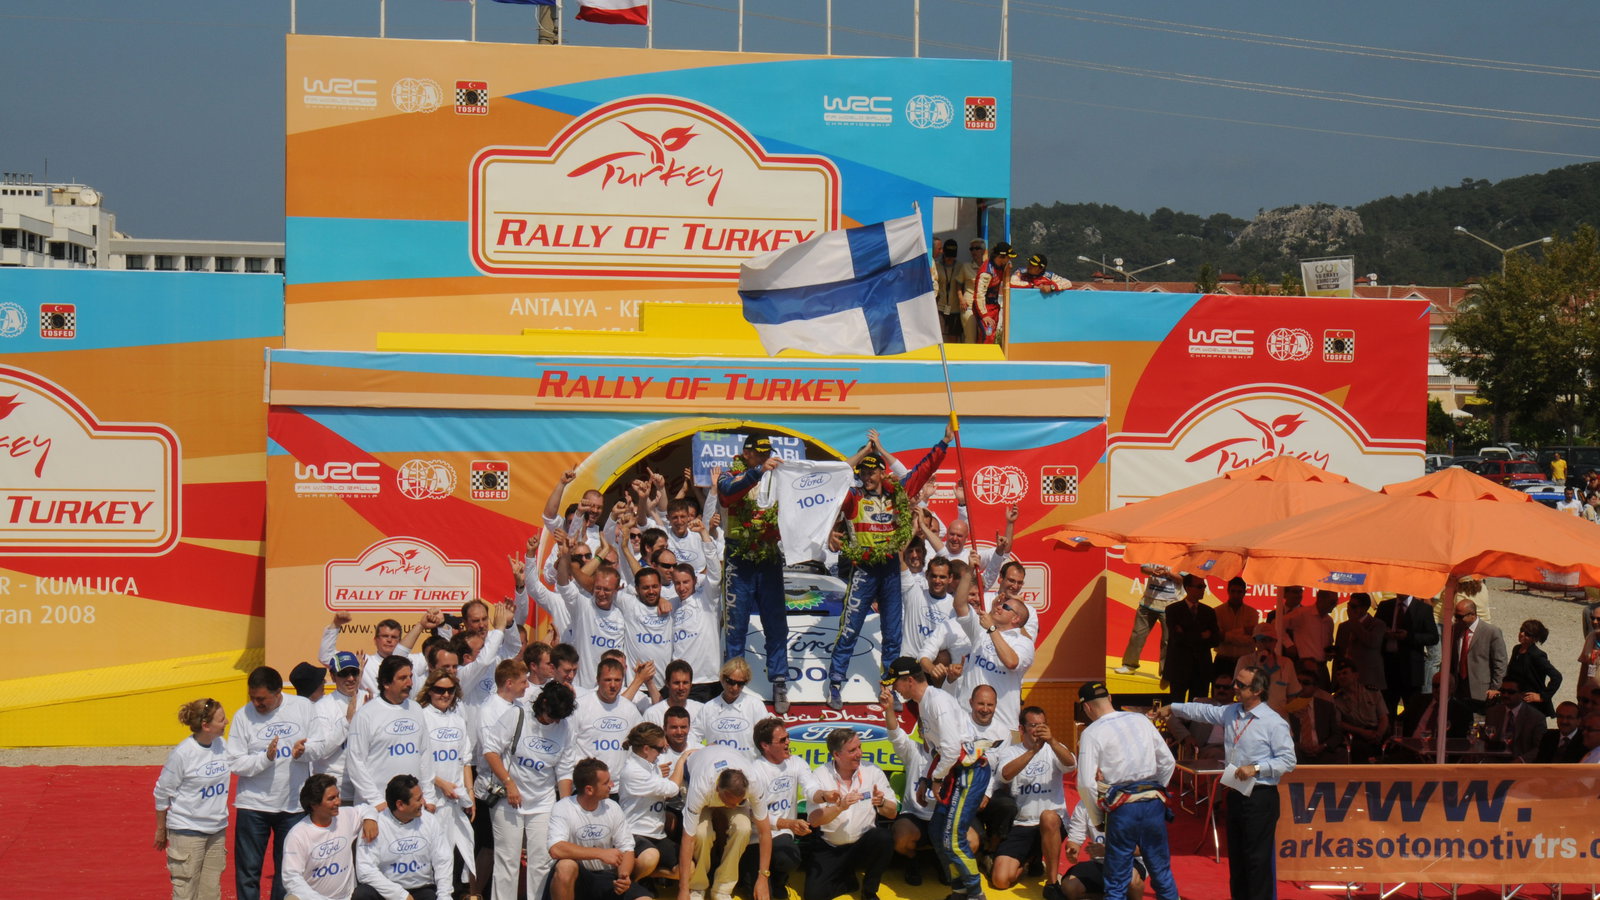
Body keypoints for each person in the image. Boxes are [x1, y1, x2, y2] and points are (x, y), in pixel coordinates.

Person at [827, 425, 951, 709]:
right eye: (863, 472)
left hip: (891, 571)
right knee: (850, 628)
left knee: (893, 633)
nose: (866, 476)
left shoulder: (898, 494)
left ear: (883, 473)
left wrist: (944, 441)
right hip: (863, 570)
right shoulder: (853, 497)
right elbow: (831, 478)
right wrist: (863, 454)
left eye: (872, 472)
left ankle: (890, 686)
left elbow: (922, 469)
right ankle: (835, 681)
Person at [1160, 666, 1296, 900]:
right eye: (1235, 682)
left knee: (1257, 861)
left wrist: (1256, 768)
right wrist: (1173, 707)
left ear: (1257, 690)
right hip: (1235, 791)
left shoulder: (1274, 722)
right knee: (1237, 858)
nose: (1234, 687)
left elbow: (1288, 760)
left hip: (1260, 796)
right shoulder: (1232, 712)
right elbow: (1203, 711)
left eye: (1241, 685)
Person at [885, 657, 985, 900]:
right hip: (954, 771)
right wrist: (926, 780)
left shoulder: (936, 702)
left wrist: (935, 780)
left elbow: (951, 750)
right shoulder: (924, 703)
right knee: (940, 834)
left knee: (953, 838)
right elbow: (937, 752)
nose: (894, 690)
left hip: (968, 771)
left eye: (895, 684)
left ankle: (975, 894)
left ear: (909, 680)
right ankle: (960, 890)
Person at [1075, 682, 1178, 900]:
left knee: (1116, 880)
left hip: (1123, 807)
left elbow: (1085, 783)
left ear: (1087, 708)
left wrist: (1097, 820)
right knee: (1161, 872)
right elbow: (1168, 761)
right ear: (1110, 698)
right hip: (1152, 802)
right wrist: (1156, 791)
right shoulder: (1141, 720)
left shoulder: (1091, 732)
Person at [482, 680, 580, 900]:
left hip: (543, 801)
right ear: (543, 703)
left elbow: (564, 771)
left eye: (558, 718)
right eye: (551, 716)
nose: (554, 721)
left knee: (542, 862)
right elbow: (490, 751)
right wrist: (509, 783)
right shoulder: (517, 716)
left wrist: (564, 807)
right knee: (508, 860)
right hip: (508, 800)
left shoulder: (565, 727)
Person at [716, 436, 791, 712]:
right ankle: (732, 682)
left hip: (769, 555)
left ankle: (779, 680)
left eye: (765, 454)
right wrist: (758, 472)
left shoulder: (778, 474)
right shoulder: (730, 473)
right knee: (736, 625)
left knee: (776, 623)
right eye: (758, 454)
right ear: (745, 453)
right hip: (739, 557)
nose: (763, 458)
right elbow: (725, 494)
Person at [229, 666, 316, 900]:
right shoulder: (242, 716)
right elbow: (235, 762)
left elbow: (319, 743)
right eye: (253, 698)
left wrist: (305, 751)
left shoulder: (303, 707)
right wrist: (265, 758)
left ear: (278, 692)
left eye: (262, 699)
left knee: (287, 873)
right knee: (248, 871)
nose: (257, 704)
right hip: (253, 806)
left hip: (293, 807)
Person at [802, 728, 898, 900]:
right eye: (853, 750)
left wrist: (881, 803)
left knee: (883, 837)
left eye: (859, 747)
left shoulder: (873, 771)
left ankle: (869, 892)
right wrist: (839, 807)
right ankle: (847, 879)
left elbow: (892, 814)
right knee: (813, 896)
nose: (859, 754)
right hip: (830, 847)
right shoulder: (819, 775)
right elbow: (815, 821)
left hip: (862, 846)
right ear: (836, 755)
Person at [989, 706, 1075, 890]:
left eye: (1043, 725)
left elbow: (1071, 764)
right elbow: (1005, 774)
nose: (1038, 730)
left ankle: (1052, 883)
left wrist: (1051, 741)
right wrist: (1033, 752)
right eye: (1034, 725)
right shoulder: (1010, 752)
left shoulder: (1055, 748)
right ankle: (1031, 857)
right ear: (1021, 729)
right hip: (1022, 824)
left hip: (1052, 825)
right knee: (1000, 880)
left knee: (1048, 816)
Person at [155, 698, 232, 900]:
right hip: (187, 831)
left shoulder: (221, 745)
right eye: (221, 719)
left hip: (216, 830)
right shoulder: (182, 754)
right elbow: (162, 792)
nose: (227, 722)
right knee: (185, 891)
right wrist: (161, 829)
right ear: (206, 726)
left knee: (210, 892)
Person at [678, 745, 773, 900]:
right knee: (701, 833)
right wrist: (682, 890)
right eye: (728, 802)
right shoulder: (701, 786)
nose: (733, 806)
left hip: (725, 777)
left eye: (739, 801)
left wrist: (763, 878)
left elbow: (764, 832)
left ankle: (723, 888)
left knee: (743, 827)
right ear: (717, 789)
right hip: (696, 777)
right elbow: (687, 839)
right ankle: (697, 886)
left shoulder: (754, 782)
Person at [548, 759, 652, 900]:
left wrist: (624, 877)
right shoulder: (563, 807)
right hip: (579, 878)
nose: (612, 785)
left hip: (607, 876)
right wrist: (600, 853)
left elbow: (626, 848)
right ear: (589, 789)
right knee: (566, 866)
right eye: (606, 783)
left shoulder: (612, 807)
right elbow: (556, 849)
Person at [347, 656, 434, 811]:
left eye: (410, 677)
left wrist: (429, 796)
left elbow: (425, 754)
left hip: (411, 806)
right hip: (378, 808)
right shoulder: (365, 715)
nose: (410, 683)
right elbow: (355, 762)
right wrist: (377, 802)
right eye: (402, 678)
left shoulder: (416, 709)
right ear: (386, 683)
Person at [742, 718, 813, 900]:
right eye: (782, 740)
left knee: (788, 856)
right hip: (755, 839)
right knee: (757, 895)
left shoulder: (795, 762)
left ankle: (779, 880)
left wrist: (825, 795)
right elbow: (752, 814)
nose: (788, 742)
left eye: (787, 737)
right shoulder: (754, 771)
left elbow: (811, 787)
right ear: (765, 745)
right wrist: (787, 822)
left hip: (780, 837)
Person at [417, 668, 474, 890]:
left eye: (450, 690)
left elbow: (465, 760)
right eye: (440, 690)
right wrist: (440, 784)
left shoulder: (458, 720)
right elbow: (420, 761)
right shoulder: (421, 716)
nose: (445, 695)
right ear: (430, 691)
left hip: (456, 802)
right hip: (432, 800)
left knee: (457, 860)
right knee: (432, 861)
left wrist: (469, 794)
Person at [354, 775, 452, 900]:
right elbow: (365, 870)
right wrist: (401, 895)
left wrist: (445, 896)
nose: (423, 802)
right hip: (386, 890)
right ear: (400, 805)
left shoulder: (430, 821)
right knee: (362, 894)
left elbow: (443, 861)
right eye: (418, 799)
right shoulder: (374, 825)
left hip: (421, 889)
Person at [281, 773, 378, 900]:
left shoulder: (344, 816)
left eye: (337, 796)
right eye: (331, 798)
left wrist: (370, 819)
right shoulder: (297, 835)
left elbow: (366, 809)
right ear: (314, 804)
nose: (338, 801)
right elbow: (291, 878)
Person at [618, 722, 690, 881]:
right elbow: (672, 789)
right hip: (635, 833)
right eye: (660, 749)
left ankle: (646, 876)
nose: (662, 752)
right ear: (646, 749)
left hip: (657, 834)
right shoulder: (633, 771)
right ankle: (628, 882)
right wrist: (682, 759)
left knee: (688, 869)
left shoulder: (651, 766)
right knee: (650, 857)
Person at [1060, 799, 1146, 900]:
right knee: (1069, 887)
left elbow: (1144, 848)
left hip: (1129, 861)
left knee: (1130, 880)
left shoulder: (1132, 802)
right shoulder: (1085, 803)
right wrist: (1072, 850)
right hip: (1099, 863)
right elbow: (1075, 837)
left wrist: (1109, 851)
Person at [575, 657, 646, 774]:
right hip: (588, 784)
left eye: (617, 680)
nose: (613, 685)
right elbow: (568, 746)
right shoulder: (580, 706)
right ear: (598, 680)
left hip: (619, 786)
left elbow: (643, 740)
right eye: (608, 680)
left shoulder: (630, 709)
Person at [1373, 593, 1439, 717]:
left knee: (1412, 711)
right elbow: (1375, 629)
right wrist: (1384, 632)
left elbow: (1433, 637)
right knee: (1387, 710)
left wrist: (1408, 636)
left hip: (1411, 670)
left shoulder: (1423, 609)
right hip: (1388, 667)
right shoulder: (1385, 606)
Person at [689, 658, 768, 757]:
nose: (735, 687)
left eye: (740, 683)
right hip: (717, 768)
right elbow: (693, 736)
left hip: (748, 767)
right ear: (722, 678)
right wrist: (703, 749)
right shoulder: (708, 708)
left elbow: (767, 738)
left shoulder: (756, 705)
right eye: (730, 681)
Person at [1115, 563, 1180, 679]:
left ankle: (1166, 671)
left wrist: (1168, 573)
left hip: (1170, 604)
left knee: (1168, 640)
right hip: (1147, 602)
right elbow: (1143, 568)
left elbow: (1183, 579)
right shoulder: (1152, 551)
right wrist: (1153, 571)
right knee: (1138, 635)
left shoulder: (1180, 556)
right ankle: (1129, 665)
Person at [1163, 574, 1219, 703]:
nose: (1203, 589)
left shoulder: (1209, 612)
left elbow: (1215, 640)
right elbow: (1177, 639)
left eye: (1204, 586)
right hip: (1179, 669)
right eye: (1199, 586)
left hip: (1201, 670)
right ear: (1188, 588)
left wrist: (1187, 633)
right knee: (1177, 709)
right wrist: (1202, 635)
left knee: (1198, 712)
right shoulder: (1173, 610)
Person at [1452, 599, 1508, 714]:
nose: (1457, 619)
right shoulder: (1455, 629)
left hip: (1481, 691)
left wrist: (1495, 688)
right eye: (1455, 615)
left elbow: (1500, 662)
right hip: (1459, 687)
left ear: (1472, 615)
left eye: (1460, 616)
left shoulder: (1491, 632)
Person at [1505, 618, 1562, 717]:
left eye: (1527, 634)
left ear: (1534, 638)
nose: (1522, 634)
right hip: (1516, 700)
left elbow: (1557, 676)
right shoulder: (1517, 649)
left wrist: (1542, 696)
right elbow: (1510, 673)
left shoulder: (1537, 655)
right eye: (1521, 630)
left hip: (1532, 706)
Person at [1333, 593, 1387, 693]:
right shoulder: (1343, 626)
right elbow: (1339, 655)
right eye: (1349, 604)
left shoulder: (1377, 624)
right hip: (1346, 680)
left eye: (1353, 606)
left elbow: (1372, 642)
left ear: (1364, 608)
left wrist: (1354, 621)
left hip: (1368, 680)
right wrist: (1335, 681)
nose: (1349, 608)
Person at [1484, 678, 1546, 762]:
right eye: (1503, 691)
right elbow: (1484, 739)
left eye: (1511, 692)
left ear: (1522, 694)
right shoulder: (1492, 712)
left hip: (1521, 766)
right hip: (1494, 762)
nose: (1505, 695)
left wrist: (1521, 760)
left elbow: (1540, 748)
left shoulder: (1536, 717)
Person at [1212, 577, 1259, 678]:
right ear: (1228, 591)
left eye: (1239, 592)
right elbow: (1218, 636)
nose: (1236, 595)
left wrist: (1225, 635)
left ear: (1245, 592)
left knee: (1246, 693)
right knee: (1220, 692)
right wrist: (1244, 631)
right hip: (1223, 661)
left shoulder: (1252, 612)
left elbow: (1251, 640)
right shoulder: (1217, 611)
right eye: (1233, 591)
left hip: (1246, 661)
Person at [971, 241, 1016, 343]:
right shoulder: (986, 272)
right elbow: (978, 295)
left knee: (992, 337)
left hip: (994, 306)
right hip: (985, 308)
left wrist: (1007, 269)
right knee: (987, 336)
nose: (1010, 259)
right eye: (1008, 257)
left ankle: (987, 358)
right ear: (1001, 256)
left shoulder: (1001, 265)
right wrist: (984, 315)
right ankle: (983, 358)